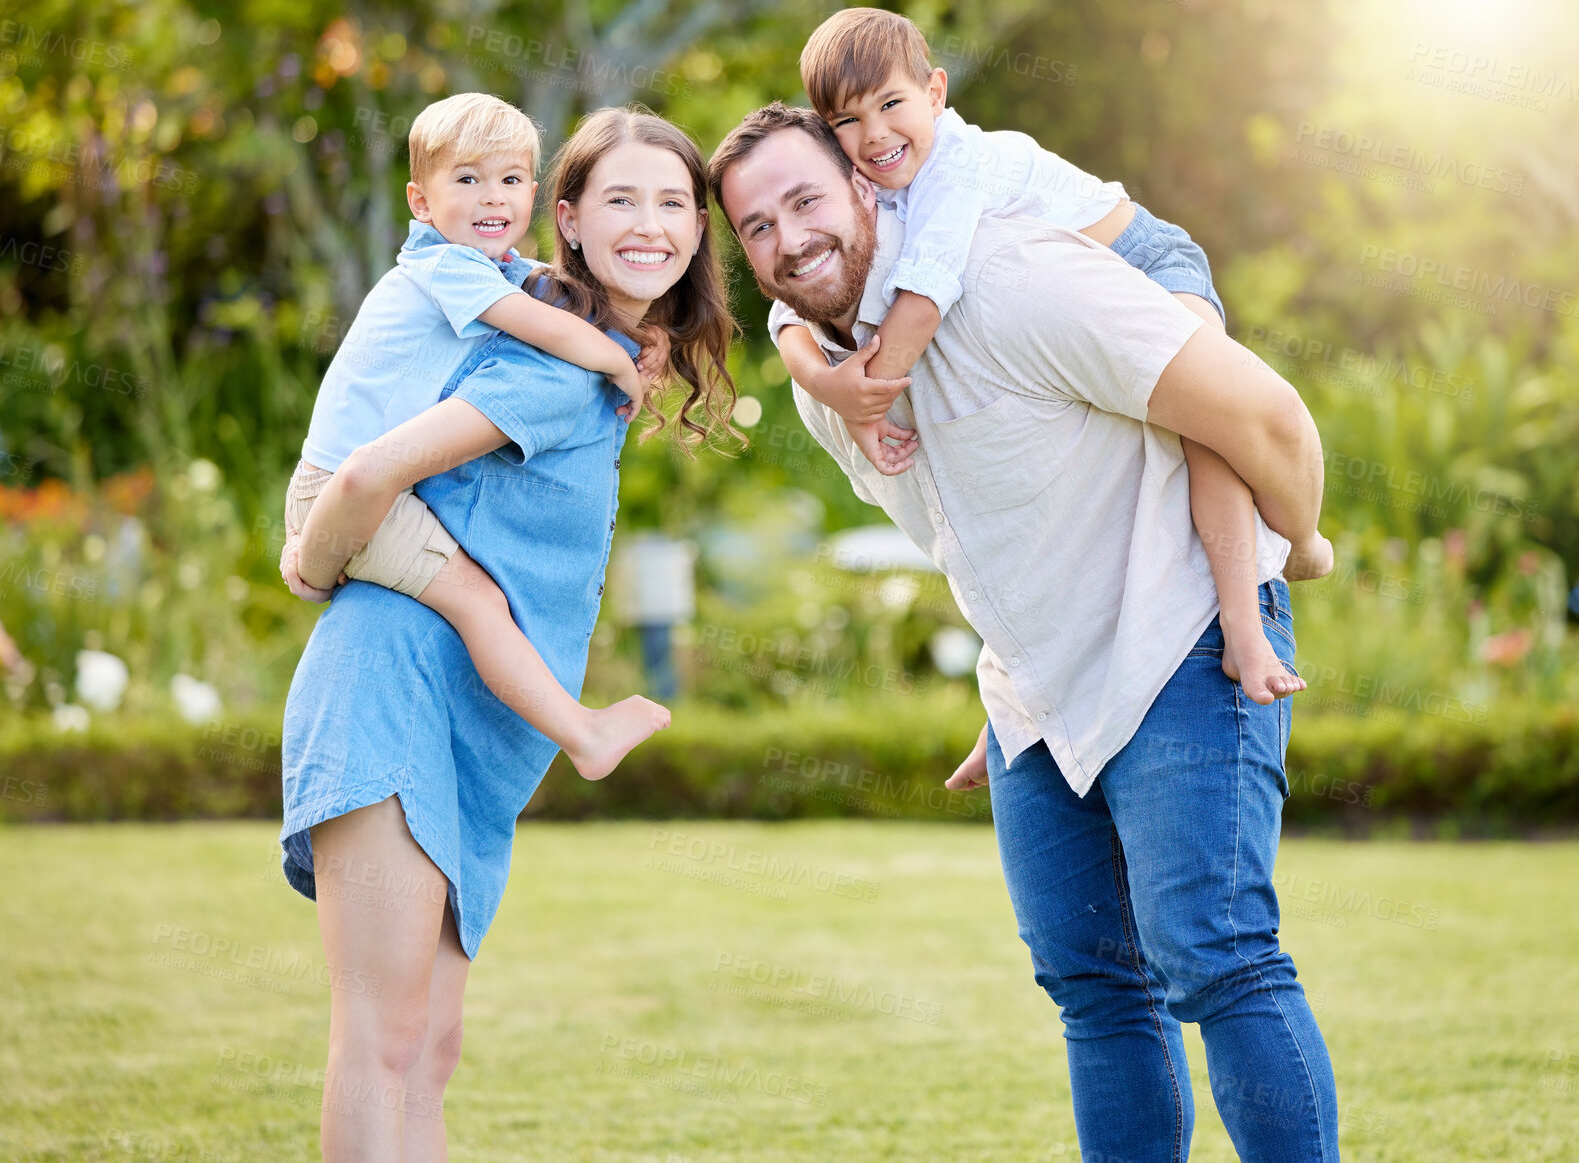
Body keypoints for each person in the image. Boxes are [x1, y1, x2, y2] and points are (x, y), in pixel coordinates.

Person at [708, 103, 1341, 1163]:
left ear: (867, 186)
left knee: (1214, 957)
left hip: (1179, 635)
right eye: (757, 226)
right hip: (1035, 702)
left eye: (805, 199)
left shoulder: (1010, 279)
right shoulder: (834, 392)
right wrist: (1014, 685)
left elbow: (1266, 415)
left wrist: (1298, 543)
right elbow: (970, 532)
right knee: (1092, 986)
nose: (788, 238)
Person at [279, 105, 737, 1162]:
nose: (652, 223)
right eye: (620, 198)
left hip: (465, 724)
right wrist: (308, 557)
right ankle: (580, 731)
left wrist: (633, 351)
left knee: (427, 1051)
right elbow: (363, 474)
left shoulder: (564, 336)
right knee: (384, 1042)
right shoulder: (548, 359)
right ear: (569, 221)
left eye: (674, 202)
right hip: (396, 686)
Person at [775, 7, 1314, 706]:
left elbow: (928, 293)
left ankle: (1249, 619)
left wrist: (865, 397)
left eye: (890, 104)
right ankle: (1022, 707)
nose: (873, 133)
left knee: (1205, 433)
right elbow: (788, 304)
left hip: (1147, 262)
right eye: (846, 121)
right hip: (1079, 302)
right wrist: (822, 380)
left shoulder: (954, 166)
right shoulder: (871, 185)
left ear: (934, 93)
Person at [282, 91, 670, 780]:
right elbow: (542, 323)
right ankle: (581, 734)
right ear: (420, 201)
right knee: (476, 599)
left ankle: (576, 732)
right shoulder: (444, 266)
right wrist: (615, 359)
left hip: (368, 489)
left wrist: (644, 339)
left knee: (474, 598)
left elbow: (564, 291)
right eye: (467, 179)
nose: (493, 198)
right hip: (346, 492)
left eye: (511, 180)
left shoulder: (492, 266)